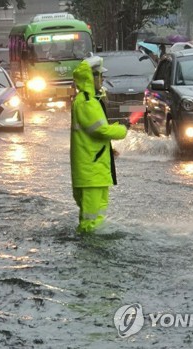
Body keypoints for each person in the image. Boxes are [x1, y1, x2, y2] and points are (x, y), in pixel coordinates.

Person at [70, 56, 128, 234]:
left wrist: (109, 150)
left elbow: (92, 136)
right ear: (91, 77)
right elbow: (100, 130)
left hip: (95, 168)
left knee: (96, 214)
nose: (102, 80)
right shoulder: (86, 102)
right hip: (91, 170)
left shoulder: (90, 100)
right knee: (91, 218)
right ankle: (89, 249)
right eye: (99, 76)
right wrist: (122, 130)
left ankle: (92, 244)